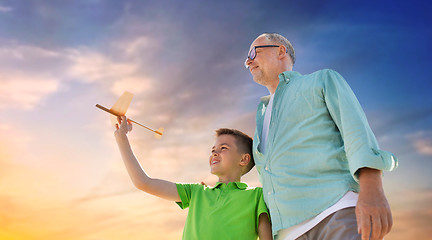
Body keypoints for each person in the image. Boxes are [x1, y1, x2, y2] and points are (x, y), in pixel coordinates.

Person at [244, 32, 398, 240]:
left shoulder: (321, 80)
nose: (248, 61)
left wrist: (372, 188)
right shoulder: (260, 116)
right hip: (287, 233)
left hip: (335, 214)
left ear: (281, 51)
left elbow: (355, 130)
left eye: (254, 52)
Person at [114, 115, 272, 240]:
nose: (215, 153)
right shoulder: (196, 192)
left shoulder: (257, 196)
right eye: (213, 149)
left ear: (244, 159)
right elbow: (143, 182)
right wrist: (121, 139)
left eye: (223, 148)